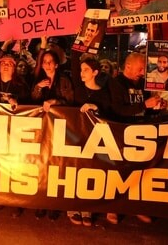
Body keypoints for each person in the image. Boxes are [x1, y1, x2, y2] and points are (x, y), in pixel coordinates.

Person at [106, 52, 164, 224]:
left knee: (140, 171)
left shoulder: (143, 84)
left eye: (144, 68)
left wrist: (157, 107)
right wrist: (144, 104)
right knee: (118, 173)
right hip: (121, 132)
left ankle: (136, 206)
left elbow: (145, 108)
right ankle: (112, 208)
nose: (142, 72)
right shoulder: (115, 84)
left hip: (141, 131)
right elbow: (118, 109)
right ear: (128, 66)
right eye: (140, 68)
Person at [68, 57, 112, 226]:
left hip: (93, 138)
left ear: (95, 72)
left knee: (89, 171)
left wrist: (95, 108)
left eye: (86, 70)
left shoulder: (103, 93)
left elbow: (108, 113)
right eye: (81, 70)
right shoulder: (78, 88)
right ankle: (72, 208)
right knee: (73, 170)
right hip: (75, 135)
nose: (81, 73)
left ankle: (86, 208)